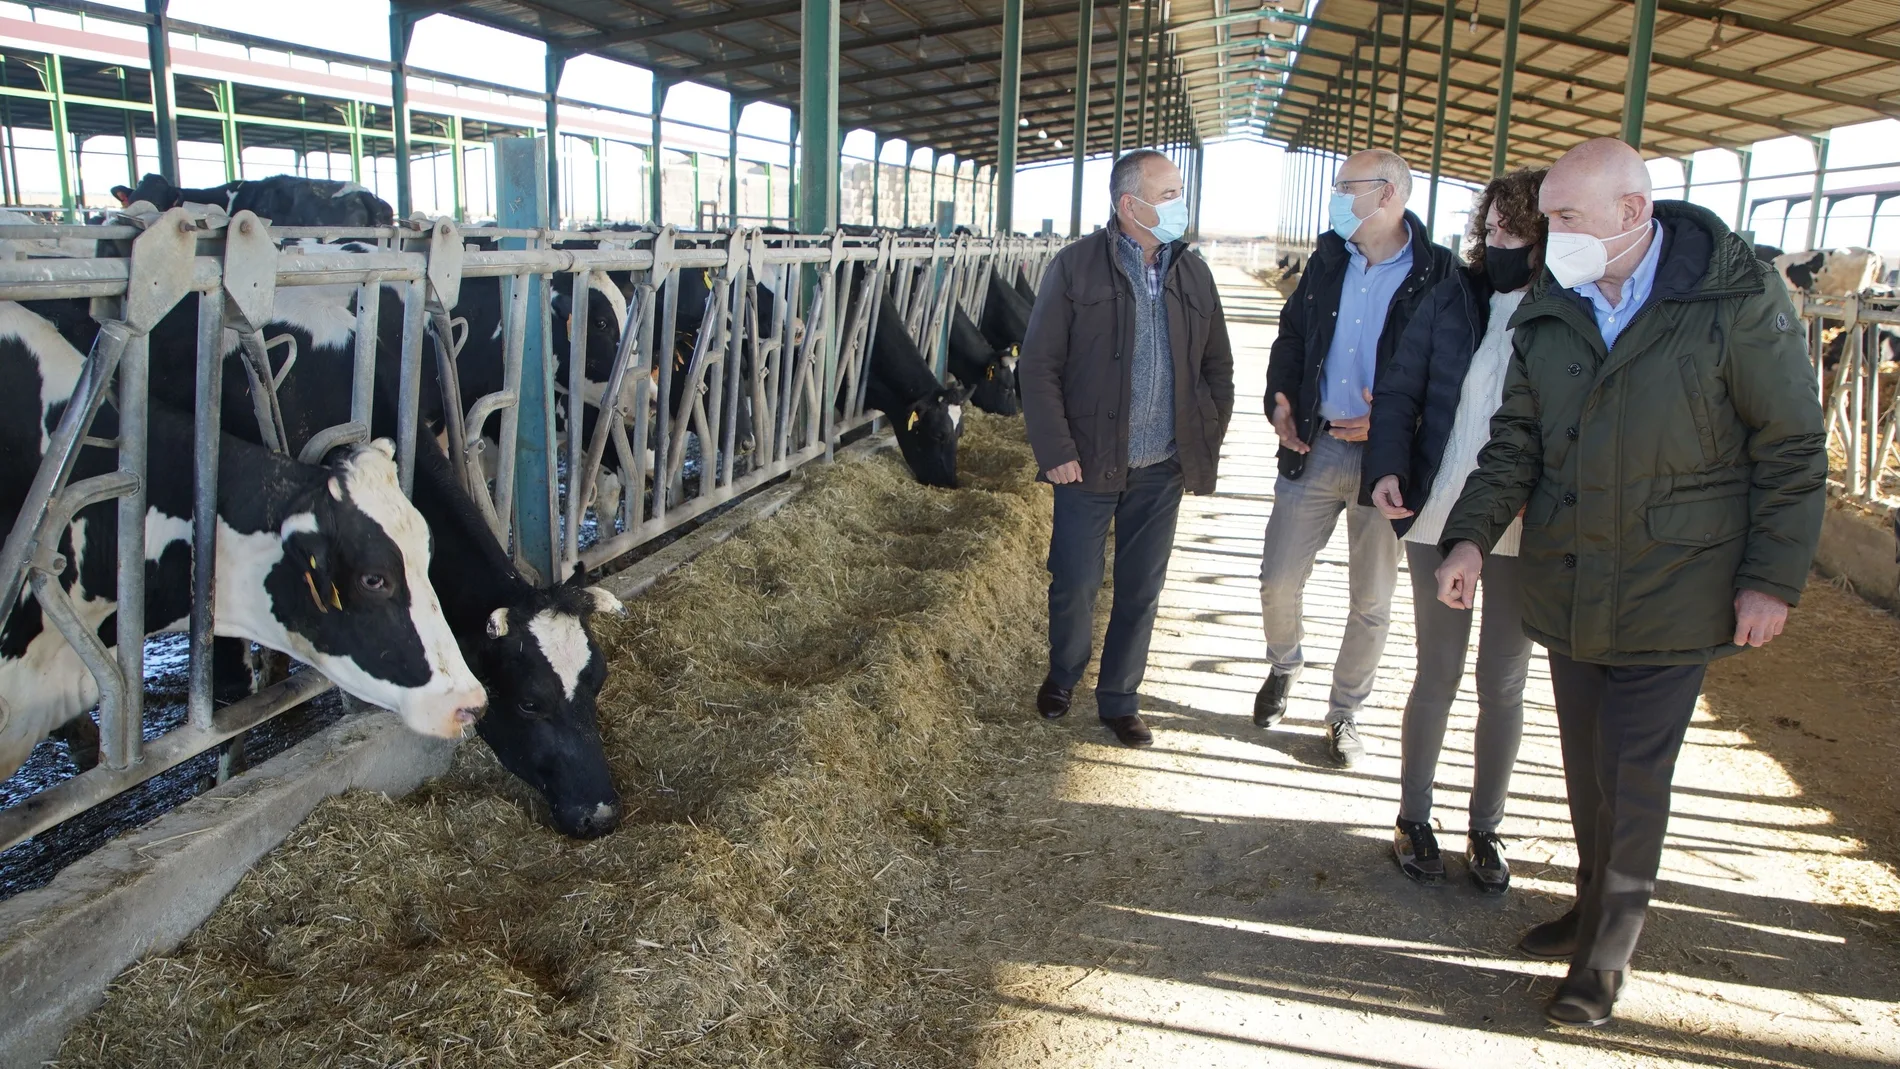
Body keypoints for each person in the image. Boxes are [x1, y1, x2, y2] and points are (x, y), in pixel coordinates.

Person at [1434, 138, 1825, 1026]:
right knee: (1585, 767)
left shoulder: (1730, 299)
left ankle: (1603, 962)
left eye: (1566, 219)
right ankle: (1589, 905)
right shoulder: (1554, 301)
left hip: (1677, 579)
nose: (1550, 236)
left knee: (1635, 772)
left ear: (1632, 212)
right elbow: (1516, 442)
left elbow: (1791, 445)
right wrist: (1468, 539)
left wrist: (1771, 579)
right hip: (1572, 575)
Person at [1366, 167, 1549, 894]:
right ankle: (1415, 816)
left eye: (1514, 228)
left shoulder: (1565, 309)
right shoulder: (1456, 295)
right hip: (1440, 510)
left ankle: (1486, 827)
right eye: (1492, 225)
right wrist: (1386, 466)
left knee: (1503, 678)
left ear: (1545, 234)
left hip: (1522, 522)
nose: (1497, 238)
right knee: (1437, 668)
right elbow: (1401, 383)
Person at [1018, 149, 1235, 747]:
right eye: (1168, 195)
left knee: (1141, 587)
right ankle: (1064, 674)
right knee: (1076, 579)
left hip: (1162, 463)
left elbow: (1218, 366)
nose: (1179, 205)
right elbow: (1038, 367)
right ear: (1128, 204)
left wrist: (1201, 438)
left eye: (1179, 194)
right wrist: (1055, 447)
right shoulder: (1075, 267)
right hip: (1086, 459)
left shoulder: (1193, 272)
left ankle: (1119, 698)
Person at [1257, 148, 1460, 766]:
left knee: (1371, 600)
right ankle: (1284, 664)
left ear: (1389, 195)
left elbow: (1450, 372)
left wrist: (1399, 419)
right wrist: (1281, 399)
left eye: (1349, 187)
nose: (1338, 198)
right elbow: (1293, 336)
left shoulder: (1440, 274)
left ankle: (1345, 712)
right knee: (1277, 578)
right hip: (1314, 446)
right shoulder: (1326, 262)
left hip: (1388, 461)